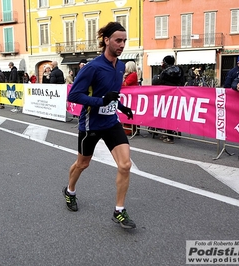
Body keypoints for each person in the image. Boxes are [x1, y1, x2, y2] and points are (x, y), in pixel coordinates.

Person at [64, 22, 136, 229]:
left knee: (125, 165)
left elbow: (111, 94)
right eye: (118, 40)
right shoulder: (92, 67)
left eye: (124, 40)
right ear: (106, 40)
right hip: (90, 124)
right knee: (82, 164)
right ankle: (70, 191)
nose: (122, 44)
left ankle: (119, 211)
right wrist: (101, 102)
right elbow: (74, 95)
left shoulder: (121, 66)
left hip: (111, 121)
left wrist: (121, 107)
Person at [152, 55, 184, 144]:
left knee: (168, 115)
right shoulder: (180, 70)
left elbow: (158, 82)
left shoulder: (165, 72)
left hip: (167, 96)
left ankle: (170, 136)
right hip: (178, 95)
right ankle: (171, 133)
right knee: (174, 114)